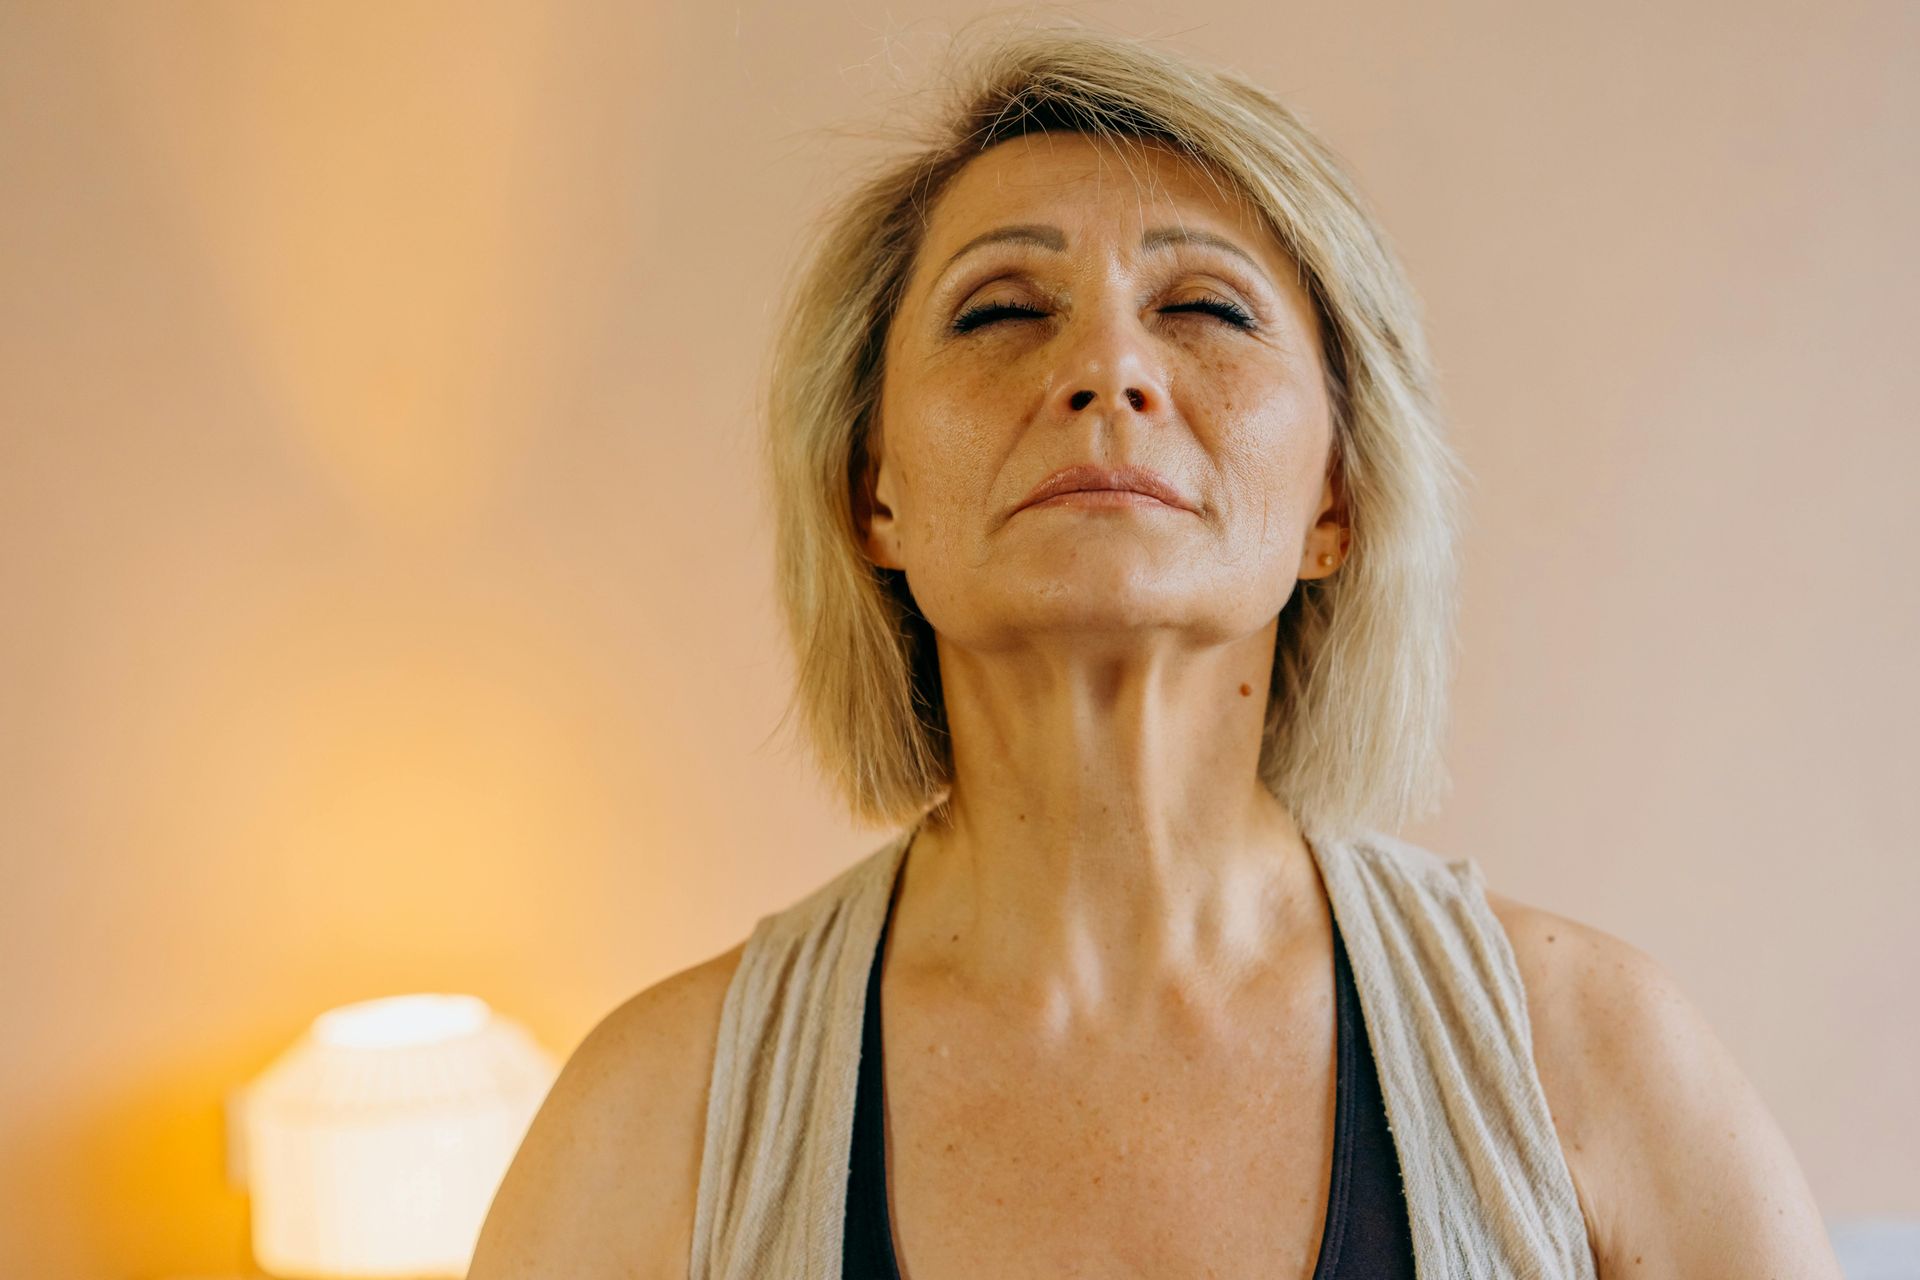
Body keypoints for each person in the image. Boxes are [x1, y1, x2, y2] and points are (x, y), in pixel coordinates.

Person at [469, 23, 1842, 1280]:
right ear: (871, 490)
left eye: (1206, 310)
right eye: (1001, 310)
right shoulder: (650, 1122)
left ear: (1336, 499)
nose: (1109, 371)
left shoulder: (1597, 1060)